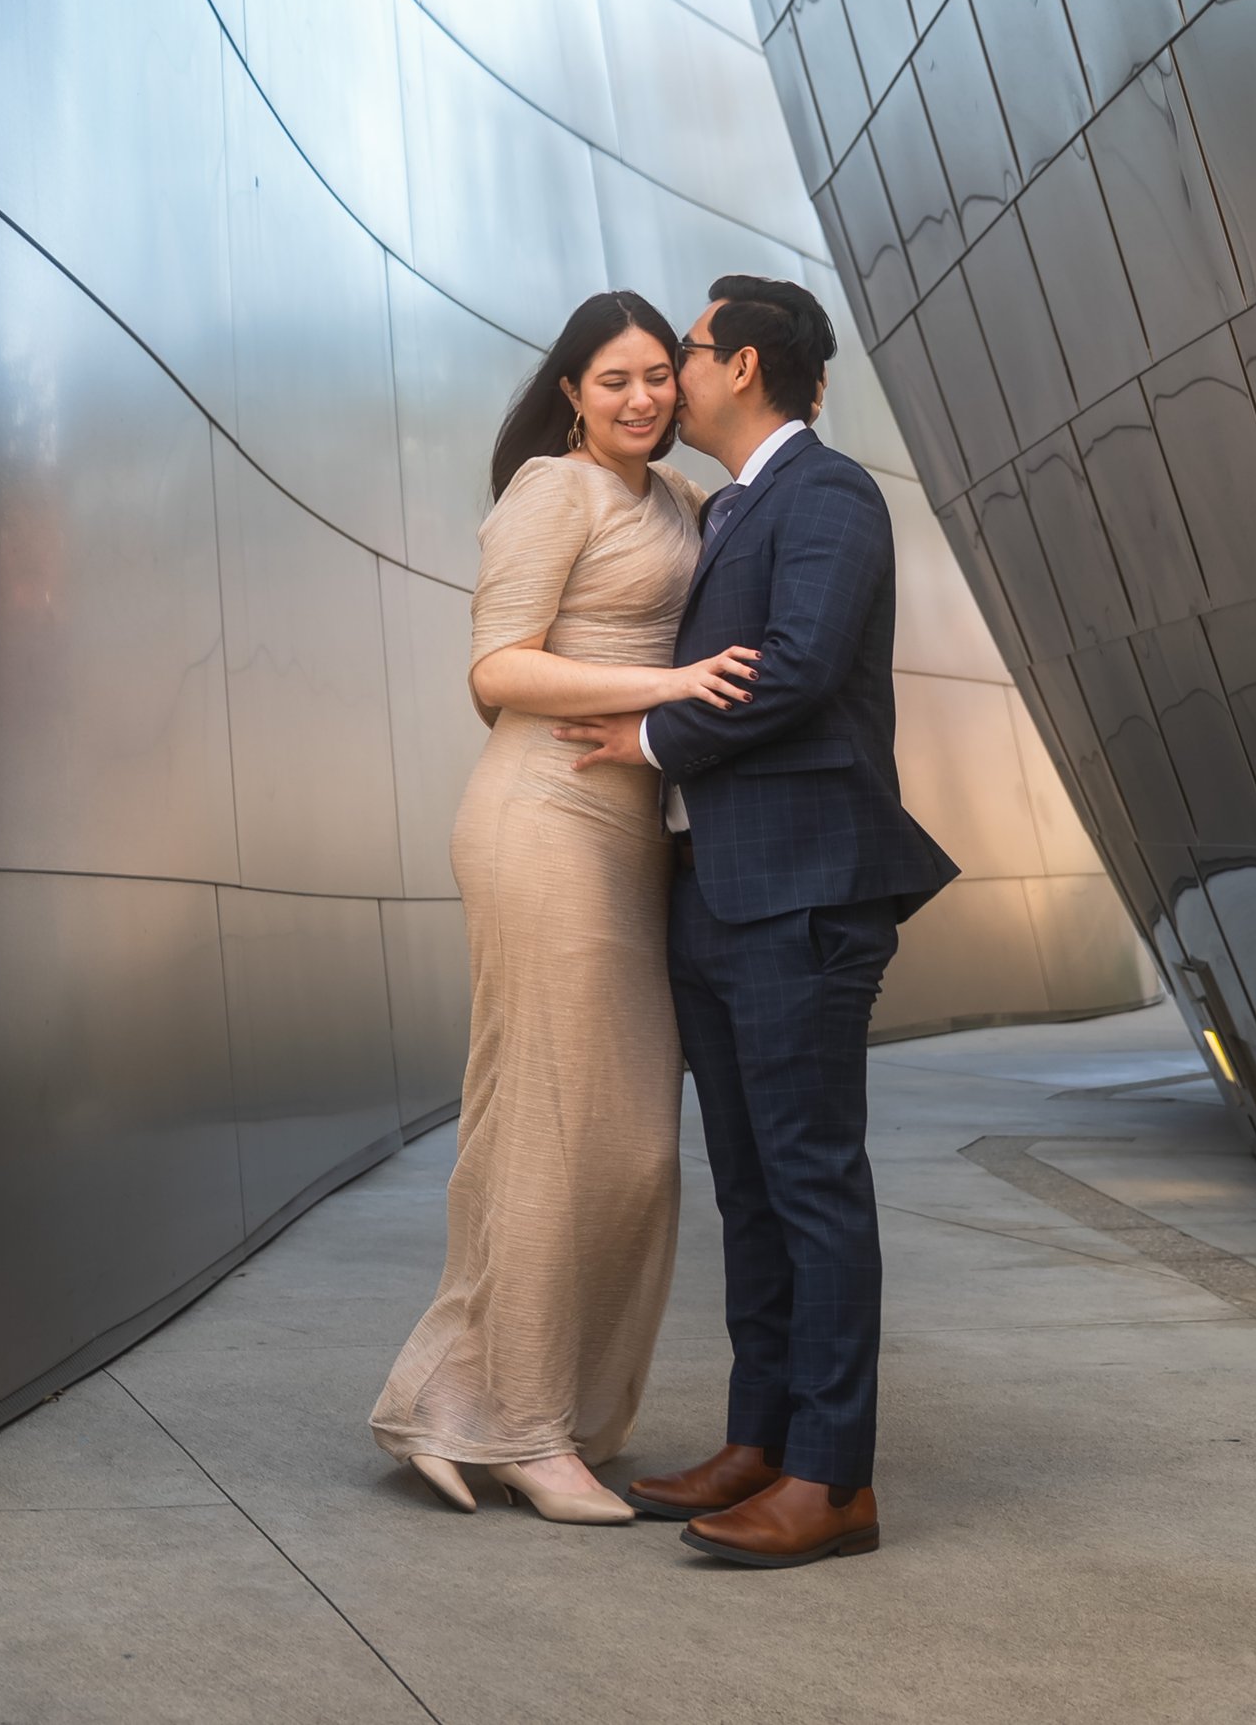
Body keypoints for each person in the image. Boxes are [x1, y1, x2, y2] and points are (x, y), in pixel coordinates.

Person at [557, 276, 957, 1570]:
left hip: (803, 895)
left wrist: (651, 733)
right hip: (719, 895)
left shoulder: (827, 494)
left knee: (812, 1184)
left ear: (740, 366)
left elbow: (794, 665)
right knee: (753, 1191)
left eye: (687, 349)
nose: (672, 372)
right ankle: (763, 1436)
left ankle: (834, 1477)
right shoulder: (731, 506)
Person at [369, 290, 757, 1524]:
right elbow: (496, 670)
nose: (642, 399)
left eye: (658, 376)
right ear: (569, 395)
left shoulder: (678, 501)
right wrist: (673, 681)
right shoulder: (553, 489)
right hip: (542, 819)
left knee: (632, 1146)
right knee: (546, 1121)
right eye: (613, 382)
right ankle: (520, 1429)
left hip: (629, 833)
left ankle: (508, 1408)